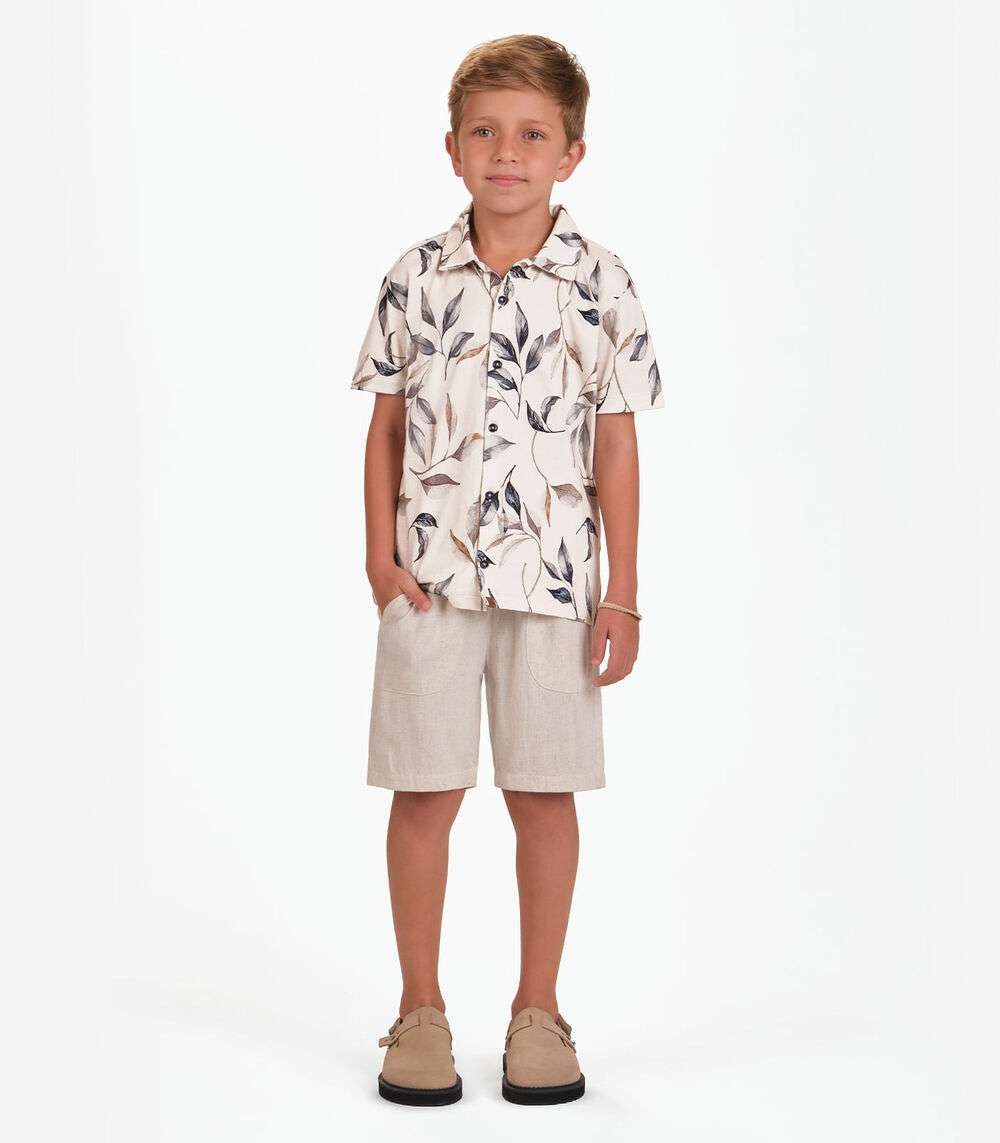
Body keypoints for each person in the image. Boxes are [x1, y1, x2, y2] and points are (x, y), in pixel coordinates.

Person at [349, 33, 664, 1106]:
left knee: (543, 795)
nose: (506, 153)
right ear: (451, 147)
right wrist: (379, 557)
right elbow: (386, 428)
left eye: (532, 135)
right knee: (424, 792)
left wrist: (623, 590)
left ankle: (539, 1010)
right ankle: (418, 1010)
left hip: (556, 587)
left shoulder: (602, 283)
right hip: (430, 581)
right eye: (484, 132)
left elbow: (616, 441)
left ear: (571, 153)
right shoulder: (414, 277)